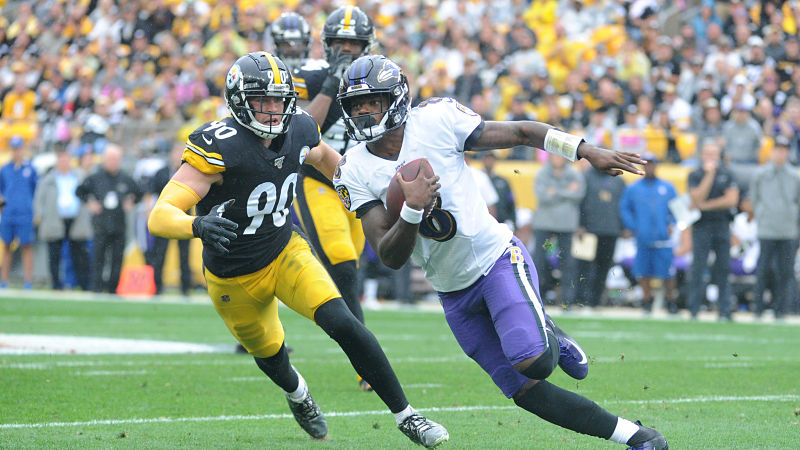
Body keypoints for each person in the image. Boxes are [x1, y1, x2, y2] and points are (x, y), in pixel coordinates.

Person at [333, 54, 667, 449]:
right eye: (356, 105)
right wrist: (411, 209)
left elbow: (522, 131)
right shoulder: (353, 168)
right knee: (525, 392)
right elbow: (390, 256)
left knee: (534, 361)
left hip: (495, 261)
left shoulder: (436, 120)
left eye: (372, 102)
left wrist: (584, 149)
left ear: (397, 98)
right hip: (452, 294)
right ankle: (637, 437)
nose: (364, 112)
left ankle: (549, 334)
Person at [147, 52, 448, 447]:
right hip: (232, 277)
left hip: (284, 250)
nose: (273, 110)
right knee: (271, 354)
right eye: (262, 101)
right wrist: (196, 225)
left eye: (278, 100)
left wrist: (371, 192)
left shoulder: (301, 128)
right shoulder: (220, 146)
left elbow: (326, 160)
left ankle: (407, 416)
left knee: (343, 321)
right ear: (239, 101)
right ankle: (297, 392)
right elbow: (160, 215)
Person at [289, 6, 375, 390]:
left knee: (353, 268)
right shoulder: (308, 76)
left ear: (366, 46)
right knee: (342, 266)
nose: (346, 49)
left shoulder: (377, 79)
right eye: (339, 42)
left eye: (353, 43)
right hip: (318, 181)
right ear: (326, 44)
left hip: (358, 185)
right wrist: (331, 83)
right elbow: (304, 129)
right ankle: (367, 365)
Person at [76, 144, 142, 293]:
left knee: (117, 258)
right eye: (110, 158)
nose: (113, 162)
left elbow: (139, 192)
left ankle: (113, 288)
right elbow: (79, 191)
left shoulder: (125, 178)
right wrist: (90, 203)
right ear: (104, 159)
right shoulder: (95, 177)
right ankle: (96, 287)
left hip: (119, 224)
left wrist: (131, 202)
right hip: (101, 224)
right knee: (98, 257)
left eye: (116, 159)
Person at [619, 153, 679, 314]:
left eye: (652, 164)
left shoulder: (668, 187)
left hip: (663, 237)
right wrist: (634, 226)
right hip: (643, 236)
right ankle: (647, 300)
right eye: (647, 164)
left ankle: (670, 300)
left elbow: (677, 208)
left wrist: (672, 223)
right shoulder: (633, 188)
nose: (650, 167)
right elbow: (625, 209)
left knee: (667, 271)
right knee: (643, 271)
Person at [687, 140, 739, 320]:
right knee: (698, 267)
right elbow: (696, 198)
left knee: (723, 268)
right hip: (701, 226)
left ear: (719, 156)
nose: (710, 157)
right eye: (707, 153)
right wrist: (709, 175)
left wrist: (705, 205)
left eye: (714, 154)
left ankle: (724, 310)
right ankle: (694, 309)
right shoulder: (695, 174)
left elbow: (731, 200)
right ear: (702, 155)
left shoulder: (727, 174)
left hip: (722, 225)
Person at [749, 136, 800, 319]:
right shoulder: (760, 174)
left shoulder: (795, 176)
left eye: (784, 150)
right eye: (778, 149)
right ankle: (758, 307)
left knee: (785, 271)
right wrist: (762, 215)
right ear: (772, 151)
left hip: (788, 230)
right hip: (767, 228)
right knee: (763, 269)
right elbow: (754, 199)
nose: (781, 153)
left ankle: (781, 309)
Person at [33, 150, 92, 291]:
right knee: (54, 254)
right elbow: (39, 198)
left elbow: (87, 195)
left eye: (67, 160)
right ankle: (56, 284)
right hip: (54, 219)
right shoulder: (48, 179)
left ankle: (83, 284)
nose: (64, 163)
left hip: (75, 219)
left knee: (79, 255)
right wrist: (40, 215)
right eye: (62, 160)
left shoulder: (79, 176)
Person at [532, 152, 585, 307]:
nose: (557, 159)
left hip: (566, 225)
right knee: (539, 261)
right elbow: (542, 196)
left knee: (568, 263)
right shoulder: (542, 173)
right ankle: (537, 297)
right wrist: (566, 191)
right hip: (544, 224)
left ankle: (568, 300)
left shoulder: (574, 173)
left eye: (560, 156)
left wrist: (555, 191)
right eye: (554, 156)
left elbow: (579, 194)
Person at [576, 161, 626, 309]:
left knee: (604, 267)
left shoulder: (619, 180)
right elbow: (579, 202)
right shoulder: (585, 177)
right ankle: (581, 299)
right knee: (584, 267)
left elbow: (623, 206)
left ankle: (595, 300)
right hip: (588, 231)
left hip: (611, 230)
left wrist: (623, 226)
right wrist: (580, 224)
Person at [144, 144, 192, 295]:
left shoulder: (190, 173)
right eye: (176, 152)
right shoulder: (161, 173)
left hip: (183, 216)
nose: (178, 156)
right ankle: (157, 287)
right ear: (171, 154)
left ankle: (185, 288)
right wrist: (149, 211)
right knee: (160, 253)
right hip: (164, 217)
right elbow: (150, 193)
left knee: (184, 254)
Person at [0, 136, 37, 289]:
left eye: (19, 148)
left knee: (26, 246)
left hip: (25, 213)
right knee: (6, 246)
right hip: (8, 213)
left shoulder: (30, 169)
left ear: (23, 149)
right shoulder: (5, 169)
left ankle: (28, 281)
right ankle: (4, 280)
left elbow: (35, 189)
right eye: (14, 149)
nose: (17, 152)